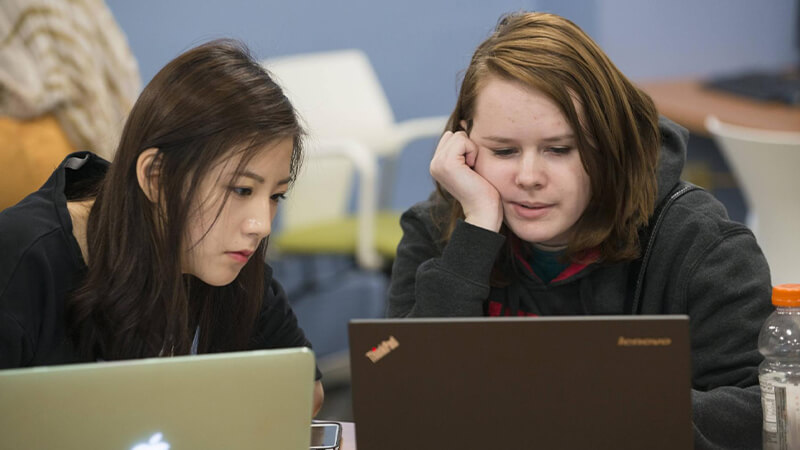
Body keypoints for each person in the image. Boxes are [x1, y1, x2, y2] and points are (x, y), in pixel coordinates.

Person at [387, 12, 772, 449]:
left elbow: (762, 411)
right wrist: (474, 238)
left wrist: (598, 406)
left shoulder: (700, 243)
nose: (529, 177)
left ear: (610, 146)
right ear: (464, 145)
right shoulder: (439, 231)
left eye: (559, 149)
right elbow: (403, 403)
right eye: (504, 150)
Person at [0, 40, 324, 415]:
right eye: (241, 189)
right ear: (155, 177)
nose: (261, 226)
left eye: (275, 196)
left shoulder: (229, 259)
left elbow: (305, 392)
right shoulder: (22, 253)